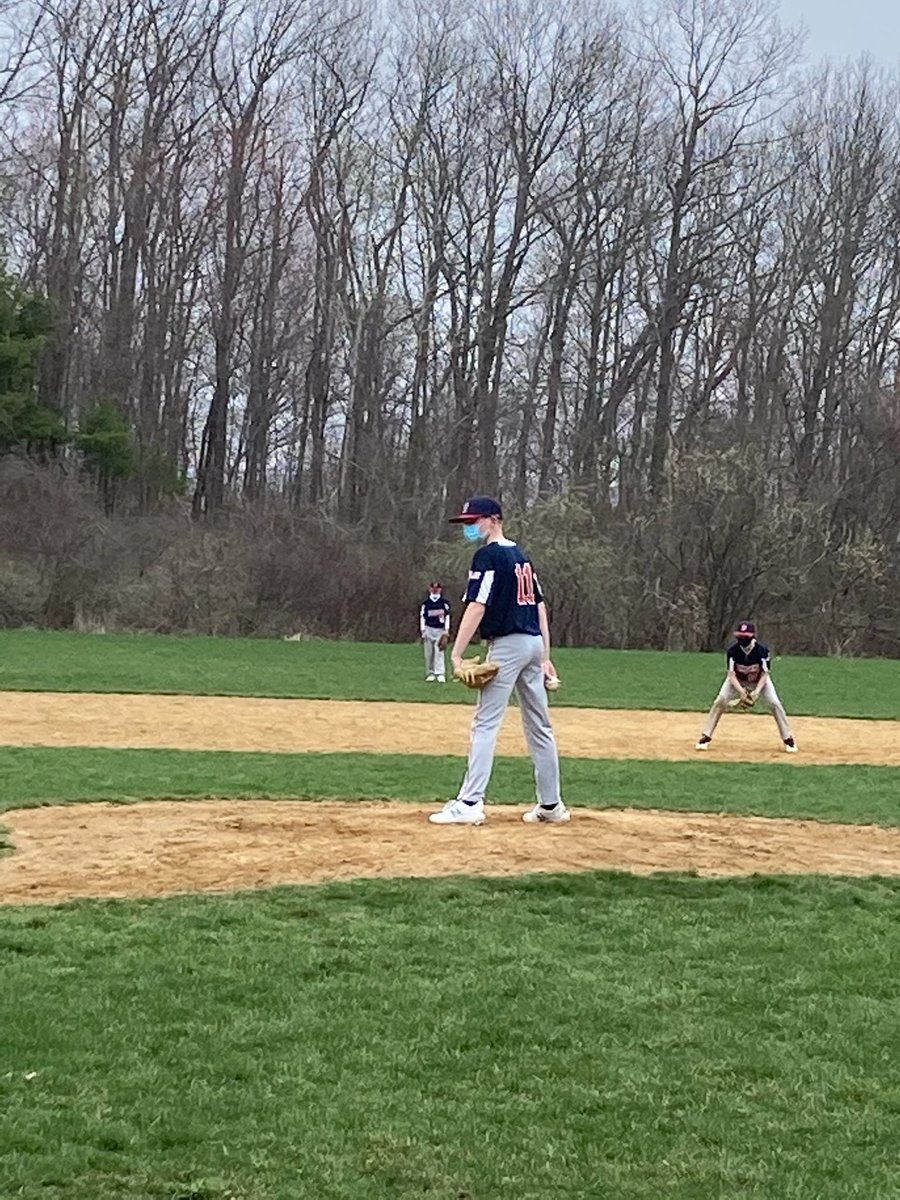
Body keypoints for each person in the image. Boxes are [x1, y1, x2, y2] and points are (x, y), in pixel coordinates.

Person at [429, 495, 569, 826]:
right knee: (540, 725)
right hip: (532, 642)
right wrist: (545, 655)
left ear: (494, 520)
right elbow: (539, 606)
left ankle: (470, 802)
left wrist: (457, 652)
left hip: (507, 645)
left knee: (486, 723)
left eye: (474, 521)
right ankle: (551, 805)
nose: (469, 527)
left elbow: (478, 605)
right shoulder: (521, 556)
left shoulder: (488, 556)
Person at [695, 620, 798, 753]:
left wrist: (756, 692)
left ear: (752, 637)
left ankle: (788, 738)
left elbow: (765, 674)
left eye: (745, 637)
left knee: (774, 703)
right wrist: (741, 692)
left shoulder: (762, 652)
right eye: (740, 636)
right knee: (720, 700)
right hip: (737, 680)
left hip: (759, 680)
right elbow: (731, 675)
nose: (742, 640)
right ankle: (706, 736)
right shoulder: (733, 651)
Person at [419, 581, 451, 682]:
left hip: (440, 630)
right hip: (429, 629)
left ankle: (440, 673)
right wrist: (423, 630)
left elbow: (447, 617)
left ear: (440, 589)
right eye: (433, 588)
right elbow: (422, 617)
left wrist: (446, 630)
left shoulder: (444, 603)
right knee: (429, 653)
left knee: (439, 652)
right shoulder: (426, 604)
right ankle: (430, 673)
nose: (435, 590)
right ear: (430, 589)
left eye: (437, 588)